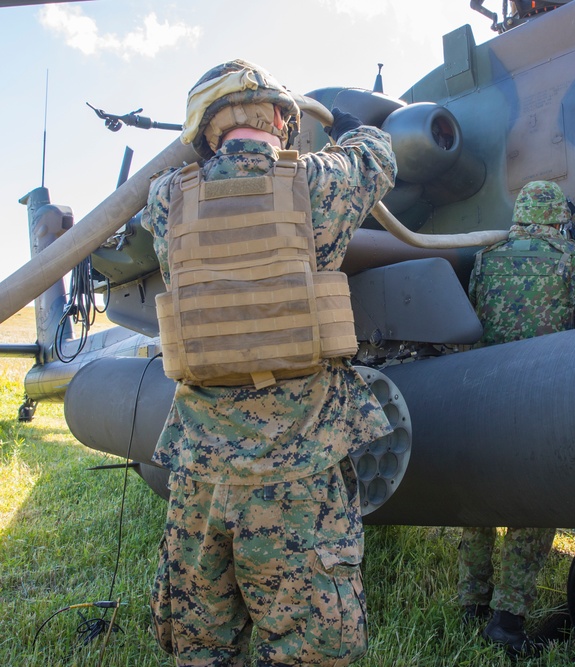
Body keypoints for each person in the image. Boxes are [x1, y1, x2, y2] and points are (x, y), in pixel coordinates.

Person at [141, 59, 396, 666]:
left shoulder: (164, 200)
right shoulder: (317, 184)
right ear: (284, 119)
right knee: (310, 649)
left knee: (200, 646)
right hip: (297, 467)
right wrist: (357, 128)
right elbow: (378, 156)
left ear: (206, 131)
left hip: (199, 472)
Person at [460, 180, 575, 655]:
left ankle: (472, 604)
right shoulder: (568, 260)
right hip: (535, 400)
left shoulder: (487, 260)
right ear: (554, 216)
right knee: (531, 515)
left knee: (479, 508)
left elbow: (474, 308)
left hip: (483, 398)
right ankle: (506, 625)